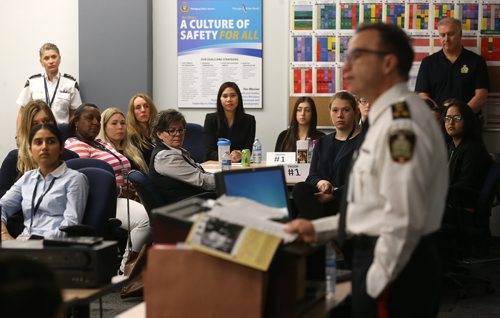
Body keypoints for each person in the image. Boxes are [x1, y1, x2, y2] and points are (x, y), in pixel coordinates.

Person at [285, 23, 448, 318]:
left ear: (388, 63)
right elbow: (373, 207)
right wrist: (318, 229)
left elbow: (402, 216)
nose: (346, 65)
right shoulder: (387, 117)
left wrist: (375, 284)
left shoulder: (401, 124)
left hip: (394, 272)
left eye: (357, 55)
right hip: (381, 259)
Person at [64, 103, 151, 272]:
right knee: (144, 221)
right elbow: (89, 180)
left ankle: (139, 270)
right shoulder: (75, 145)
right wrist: (119, 189)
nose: (95, 122)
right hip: (102, 201)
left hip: (124, 196)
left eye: (98, 119)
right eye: (90, 118)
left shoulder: (99, 143)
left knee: (158, 215)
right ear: (76, 122)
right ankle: (125, 272)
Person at [1, 124, 88, 240]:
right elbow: (2, 206)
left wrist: (35, 244)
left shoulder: (75, 179)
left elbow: (70, 225)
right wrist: (4, 234)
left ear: (61, 148)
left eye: (51, 142)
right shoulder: (27, 178)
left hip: (53, 247)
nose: (44, 147)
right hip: (22, 243)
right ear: (30, 150)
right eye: (38, 142)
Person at [292, 91, 362, 220]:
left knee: (302, 213)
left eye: (346, 110)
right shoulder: (323, 142)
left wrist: (335, 193)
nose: (340, 115)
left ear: (355, 112)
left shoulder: (363, 141)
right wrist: (320, 182)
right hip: (321, 196)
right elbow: (312, 176)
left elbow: (363, 181)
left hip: (345, 200)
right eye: (335, 110)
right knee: (299, 189)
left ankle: (311, 225)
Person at [0, 100, 78, 199]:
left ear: (54, 124)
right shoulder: (14, 158)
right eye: (35, 124)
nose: (42, 126)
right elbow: (3, 197)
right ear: (27, 129)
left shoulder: (71, 158)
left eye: (46, 121)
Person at [415, 17, 489, 114]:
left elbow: (481, 97)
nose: (446, 39)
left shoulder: (477, 61)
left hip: (469, 122)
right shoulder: (428, 62)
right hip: (437, 122)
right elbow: (422, 96)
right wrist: (440, 117)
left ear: (460, 34)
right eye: (442, 35)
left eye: (451, 34)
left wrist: (459, 117)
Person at [443, 100, 491, 229]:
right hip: (449, 203)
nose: (450, 122)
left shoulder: (473, 150)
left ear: (468, 121)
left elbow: (465, 186)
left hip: (462, 209)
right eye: (447, 118)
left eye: (457, 118)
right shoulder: (450, 147)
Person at [150, 109, 217, 203]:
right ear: (159, 134)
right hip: (185, 207)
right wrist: (229, 181)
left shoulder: (177, 151)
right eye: (171, 131)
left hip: (193, 199)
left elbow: (198, 171)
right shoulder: (165, 157)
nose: (178, 134)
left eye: (180, 130)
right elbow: (202, 181)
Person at [16, 43, 82, 135]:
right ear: (41, 62)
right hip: (36, 133)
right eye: (46, 58)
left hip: (62, 134)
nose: (51, 61)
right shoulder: (32, 82)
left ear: (59, 59)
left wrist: (73, 137)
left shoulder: (70, 83)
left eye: (54, 57)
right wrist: (19, 136)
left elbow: (74, 114)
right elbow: (22, 112)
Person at [204, 82, 256, 162]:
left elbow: (248, 150)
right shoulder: (210, 119)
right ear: (220, 99)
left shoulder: (249, 120)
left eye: (233, 95)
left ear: (239, 98)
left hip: (239, 165)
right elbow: (208, 151)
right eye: (225, 96)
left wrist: (240, 155)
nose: (229, 99)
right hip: (216, 164)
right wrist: (228, 157)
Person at [99, 107, 148, 173]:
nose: (120, 127)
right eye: (114, 123)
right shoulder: (101, 152)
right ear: (104, 127)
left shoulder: (134, 150)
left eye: (122, 123)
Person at [127, 93, 158, 165]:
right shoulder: (130, 137)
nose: (143, 110)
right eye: (138, 107)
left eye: (146, 106)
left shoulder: (160, 131)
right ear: (133, 112)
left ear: (151, 109)